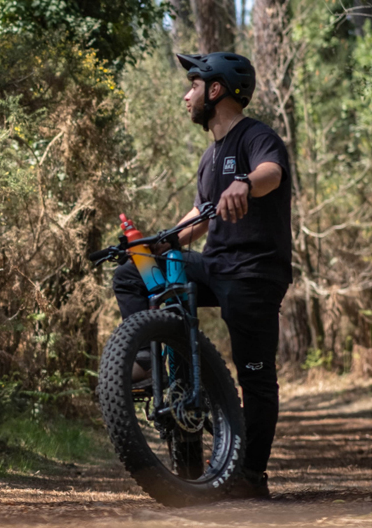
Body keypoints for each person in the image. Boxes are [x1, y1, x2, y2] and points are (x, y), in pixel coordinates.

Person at [111, 52, 292, 499]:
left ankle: (250, 475)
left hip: (253, 273)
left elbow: (271, 173)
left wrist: (245, 182)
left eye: (193, 85)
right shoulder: (210, 156)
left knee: (255, 376)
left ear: (215, 90)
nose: (185, 96)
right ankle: (153, 359)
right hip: (213, 265)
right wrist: (158, 243)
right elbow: (200, 217)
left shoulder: (257, 136)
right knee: (133, 274)